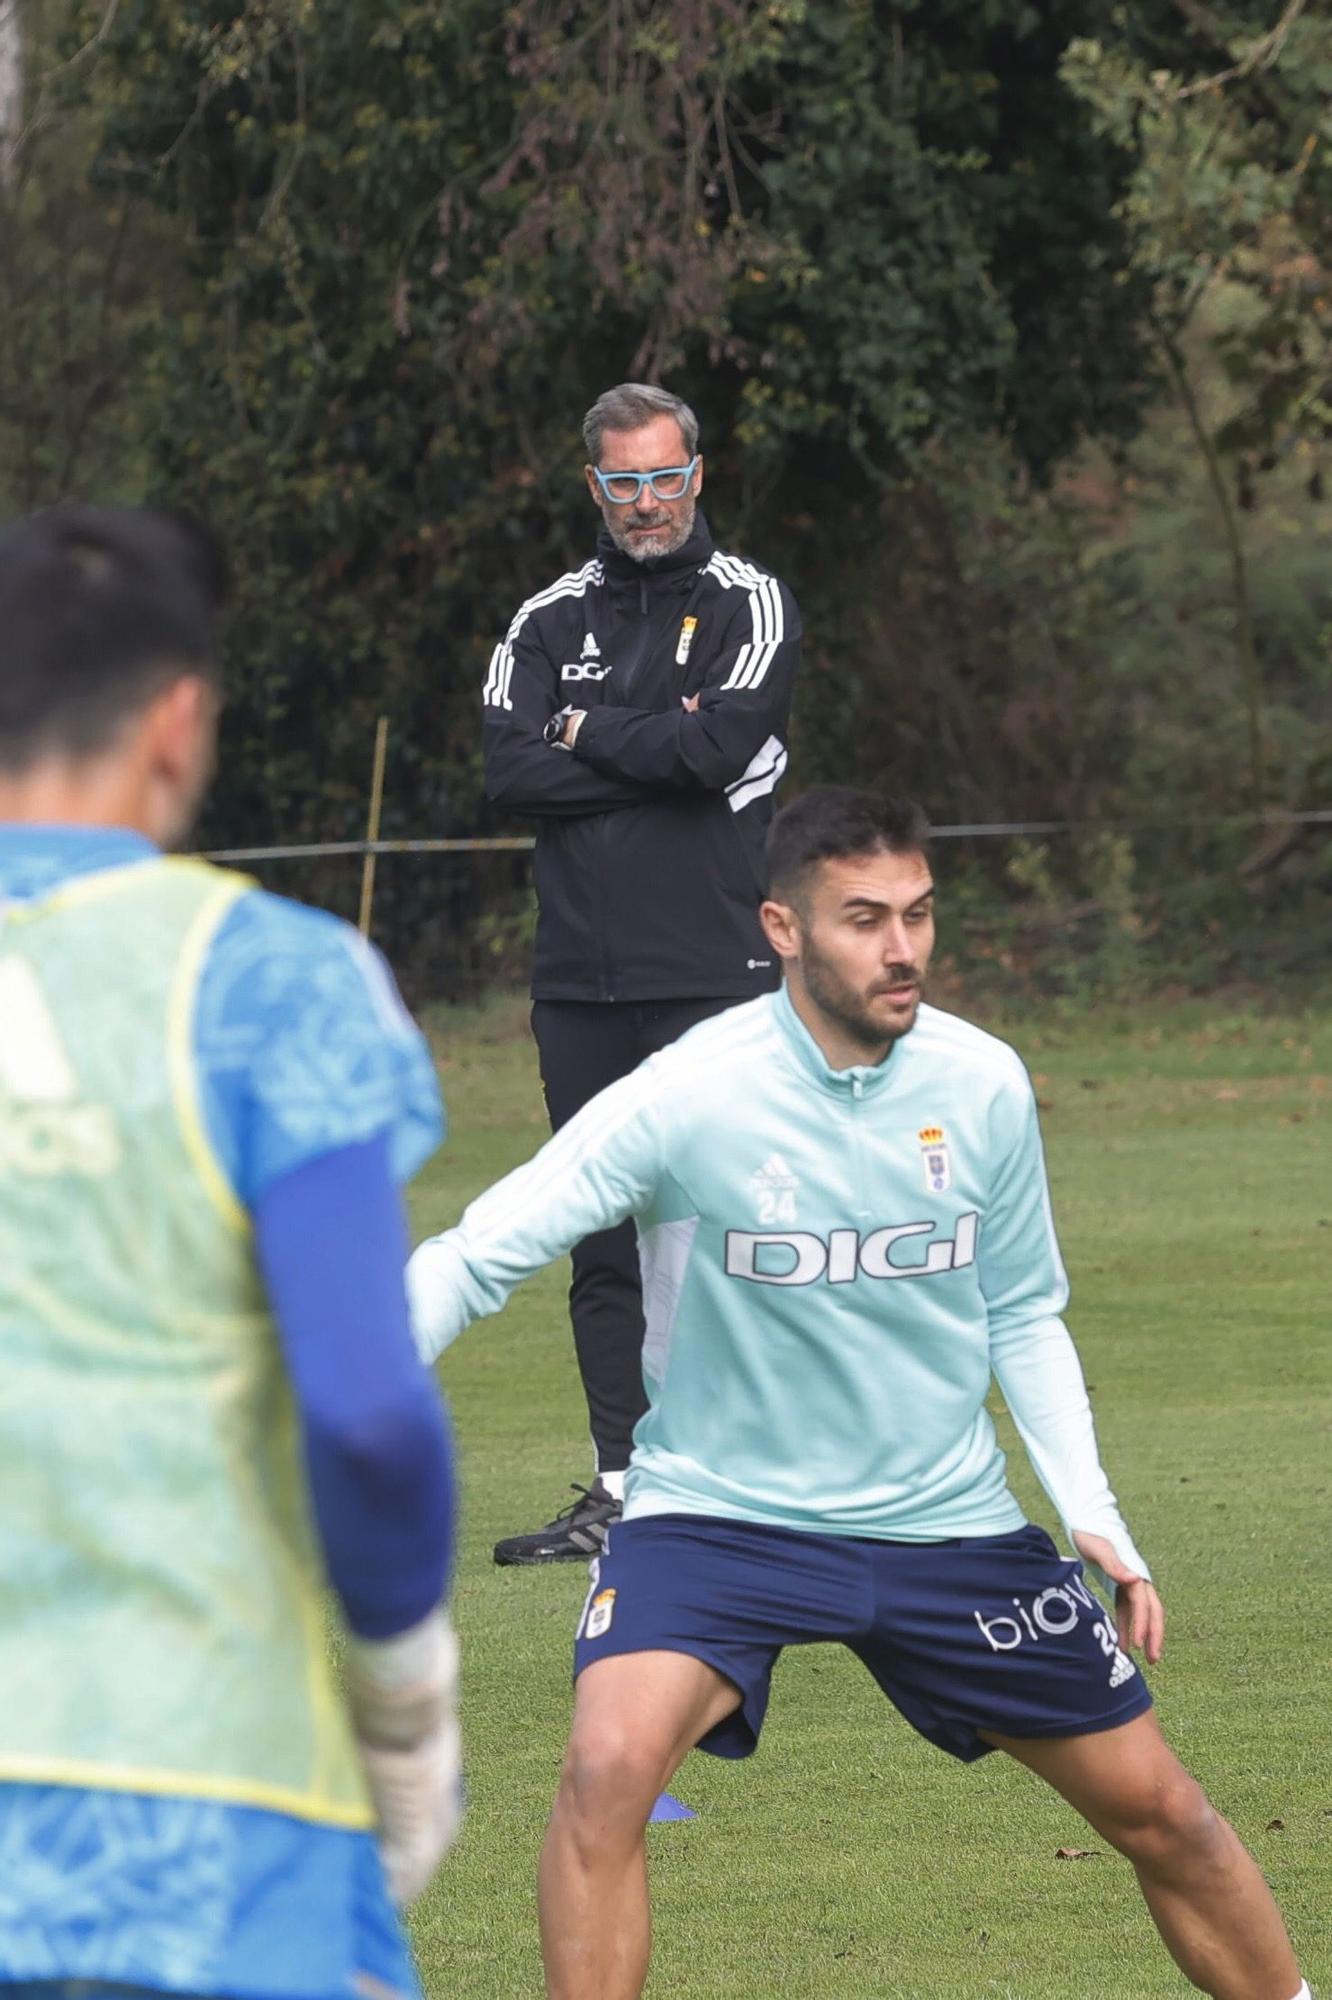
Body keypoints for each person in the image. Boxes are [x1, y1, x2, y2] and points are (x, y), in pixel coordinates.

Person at [407, 786, 1310, 2000]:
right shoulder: (692, 1091)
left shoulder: (983, 1082)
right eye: (865, 918)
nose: (903, 950)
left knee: (1167, 1813)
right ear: (783, 927)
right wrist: (340, 1389)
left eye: (921, 915)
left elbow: (1023, 1308)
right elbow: (477, 1252)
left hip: (947, 1524)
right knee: (607, 1770)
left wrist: (1090, 1505)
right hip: (717, 1513)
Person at [0, 506, 460, 2000]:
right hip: (207, 1823)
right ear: (179, 718)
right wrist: (405, 1711)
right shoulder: (271, 983)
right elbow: (371, 1413)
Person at [480, 380, 803, 1565]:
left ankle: (760, 1485)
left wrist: (582, 734)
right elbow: (507, 771)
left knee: (736, 1227)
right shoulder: (545, 619)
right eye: (624, 481)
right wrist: (650, 746)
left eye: (666, 476)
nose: (647, 500)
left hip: (714, 967)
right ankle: (622, 1489)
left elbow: (720, 744)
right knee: (601, 1237)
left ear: (698, 474)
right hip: (577, 980)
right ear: (595, 488)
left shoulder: (748, 602)